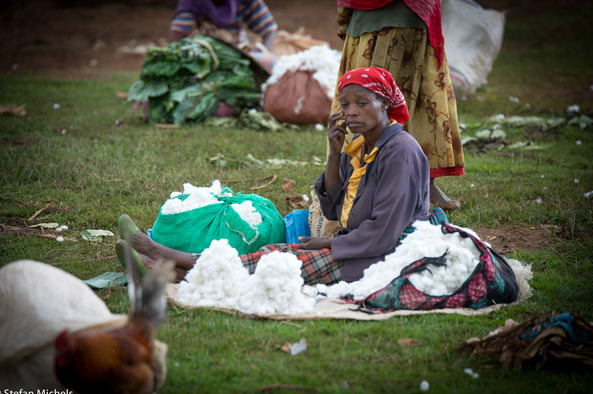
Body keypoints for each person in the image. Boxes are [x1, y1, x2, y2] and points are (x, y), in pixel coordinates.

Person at [118, 67, 438, 284]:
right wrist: (333, 151)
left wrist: (327, 242)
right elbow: (333, 209)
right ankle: (169, 264)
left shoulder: (400, 152)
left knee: (277, 264)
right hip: (359, 244)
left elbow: (385, 231)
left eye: (362, 103)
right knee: (271, 255)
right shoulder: (362, 146)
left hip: (390, 254)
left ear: (385, 104)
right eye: (345, 104)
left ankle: (168, 265)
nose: (351, 111)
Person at [333, 0, 465, 210]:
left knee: (419, 104)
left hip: (410, 13)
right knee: (364, 101)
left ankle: (422, 183)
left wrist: (344, 17)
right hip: (373, 17)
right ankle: (359, 182)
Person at [169, 0, 278, 51]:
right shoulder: (193, 3)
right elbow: (176, 36)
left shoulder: (245, 2)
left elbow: (269, 29)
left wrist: (263, 53)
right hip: (203, 52)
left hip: (237, 52)